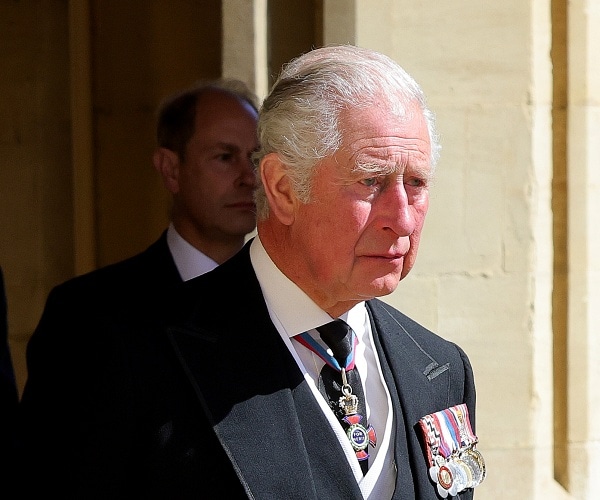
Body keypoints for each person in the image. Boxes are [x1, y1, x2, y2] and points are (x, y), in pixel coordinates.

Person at [19, 46, 482, 499]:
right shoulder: (129, 353)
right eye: (370, 181)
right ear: (282, 189)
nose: (402, 218)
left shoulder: (436, 368)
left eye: (416, 183)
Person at [18, 79, 259, 495]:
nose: (248, 177)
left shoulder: (286, 301)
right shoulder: (87, 313)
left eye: (255, 157)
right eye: (224, 157)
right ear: (170, 169)